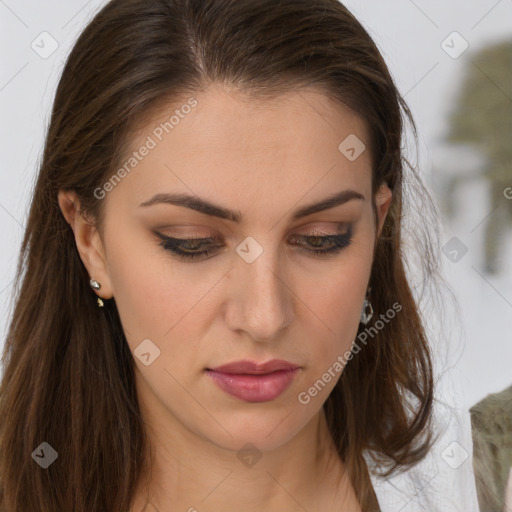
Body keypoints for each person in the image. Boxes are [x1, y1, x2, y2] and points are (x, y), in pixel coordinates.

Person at [0, 0, 470, 510]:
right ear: (91, 241)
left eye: (322, 237)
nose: (265, 317)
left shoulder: (484, 478)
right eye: (191, 242)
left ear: (378, 224)